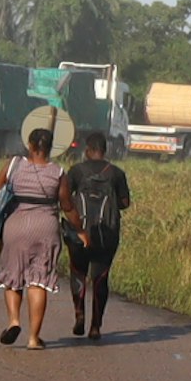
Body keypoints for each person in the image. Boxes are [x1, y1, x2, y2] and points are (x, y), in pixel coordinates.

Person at [0, 124, 68, 348]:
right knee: (38, 282)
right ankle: (34, 338)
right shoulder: (58, 172)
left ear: (30, 145)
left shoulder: (14, 165)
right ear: (50, 148)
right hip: (46, 227)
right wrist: (81, 230)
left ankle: (14, 321)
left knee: (13, 277)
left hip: (16, 225)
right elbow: (67, 205)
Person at [60, 128, 132, 340]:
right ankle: (96, 326)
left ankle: (79, 314)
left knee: (78, 272)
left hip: (80, 232)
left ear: (87, 150)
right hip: (106, 234)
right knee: (100, 278)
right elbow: (125, 203)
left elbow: (65, 200)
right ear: (105, 149)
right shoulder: (116, 173)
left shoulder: (76, 171)